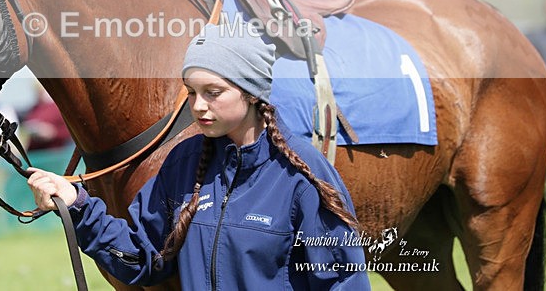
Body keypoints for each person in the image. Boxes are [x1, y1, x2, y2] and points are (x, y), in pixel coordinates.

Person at [27, 23, 369, 289]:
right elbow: (142, 258)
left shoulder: (303, 175)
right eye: (191, 92)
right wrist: (78, 206)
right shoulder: (182, 164)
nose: (198, 106)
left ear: (251, 94)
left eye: (213, 92)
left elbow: (343, 282)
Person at [23, 82, 71, 151]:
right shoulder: (34, 109)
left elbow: (68, 132)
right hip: (35, 153)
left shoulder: (57, 108)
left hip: (54, 153)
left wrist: (53, 133)